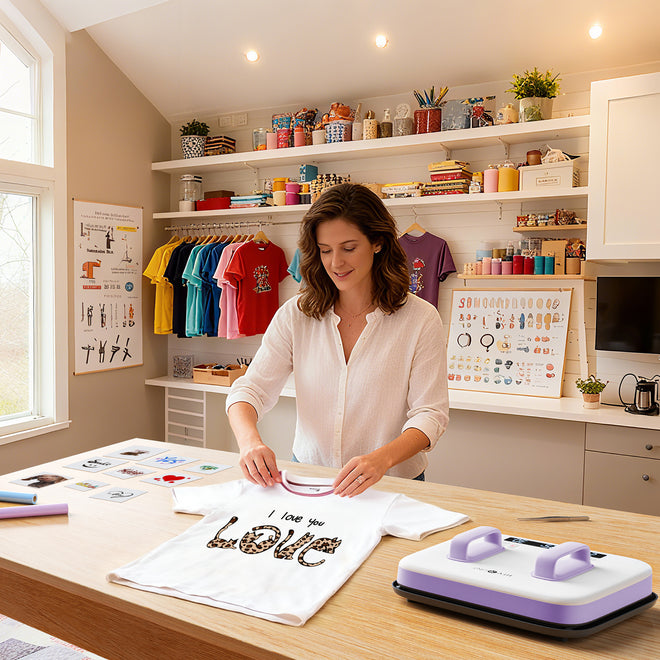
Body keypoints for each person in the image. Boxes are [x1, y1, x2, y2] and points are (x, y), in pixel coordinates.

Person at [226, 183, 449, 497]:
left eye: (349, 248)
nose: (335, 263)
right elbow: (250, 390)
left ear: (377, 243)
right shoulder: (295, 315)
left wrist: (382, 459)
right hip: (311, 478)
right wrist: (250, 442)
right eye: (325, 250)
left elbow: (430, 414)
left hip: (392, 483)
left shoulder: (420, 318)